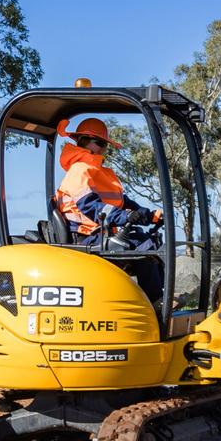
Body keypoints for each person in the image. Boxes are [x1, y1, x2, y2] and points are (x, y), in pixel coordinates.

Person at [55, 117, 164, 304]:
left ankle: (159, 299)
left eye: (105, 144)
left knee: (152, 244)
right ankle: (156, 304)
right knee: (143, 248)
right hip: (85, 237)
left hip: (103, 232)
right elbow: (90, 206)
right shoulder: (79, 171)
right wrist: (126, 216)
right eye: (100, 143)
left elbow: (123, 202)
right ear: (83, 141)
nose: (104, 148)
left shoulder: (103, 172)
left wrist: (147, 215)